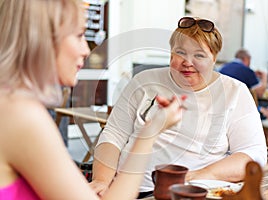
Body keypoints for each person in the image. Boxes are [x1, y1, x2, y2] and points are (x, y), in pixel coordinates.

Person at [0, 0, 186, 199]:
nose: (86, 50)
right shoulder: (22, 115)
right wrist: (150, 132)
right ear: (41, 38)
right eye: (79, 35)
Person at [91, 17, 268, 198]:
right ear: (170, 53)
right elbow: (113, 135)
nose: (187, 62)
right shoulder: (143, 81)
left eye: (199, 55)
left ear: (214, 58)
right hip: (129, 191)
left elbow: (253, 154)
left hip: (193, 193)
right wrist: (102, 180)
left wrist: (192, 177)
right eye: (180, 52)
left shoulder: (234, 91)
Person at [219, 49, 268, 120]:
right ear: (246, 59)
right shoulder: (246, 70)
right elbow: (260, 93)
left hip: (222, 108)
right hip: (240, 110)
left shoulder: (222, 68)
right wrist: (265, 76)